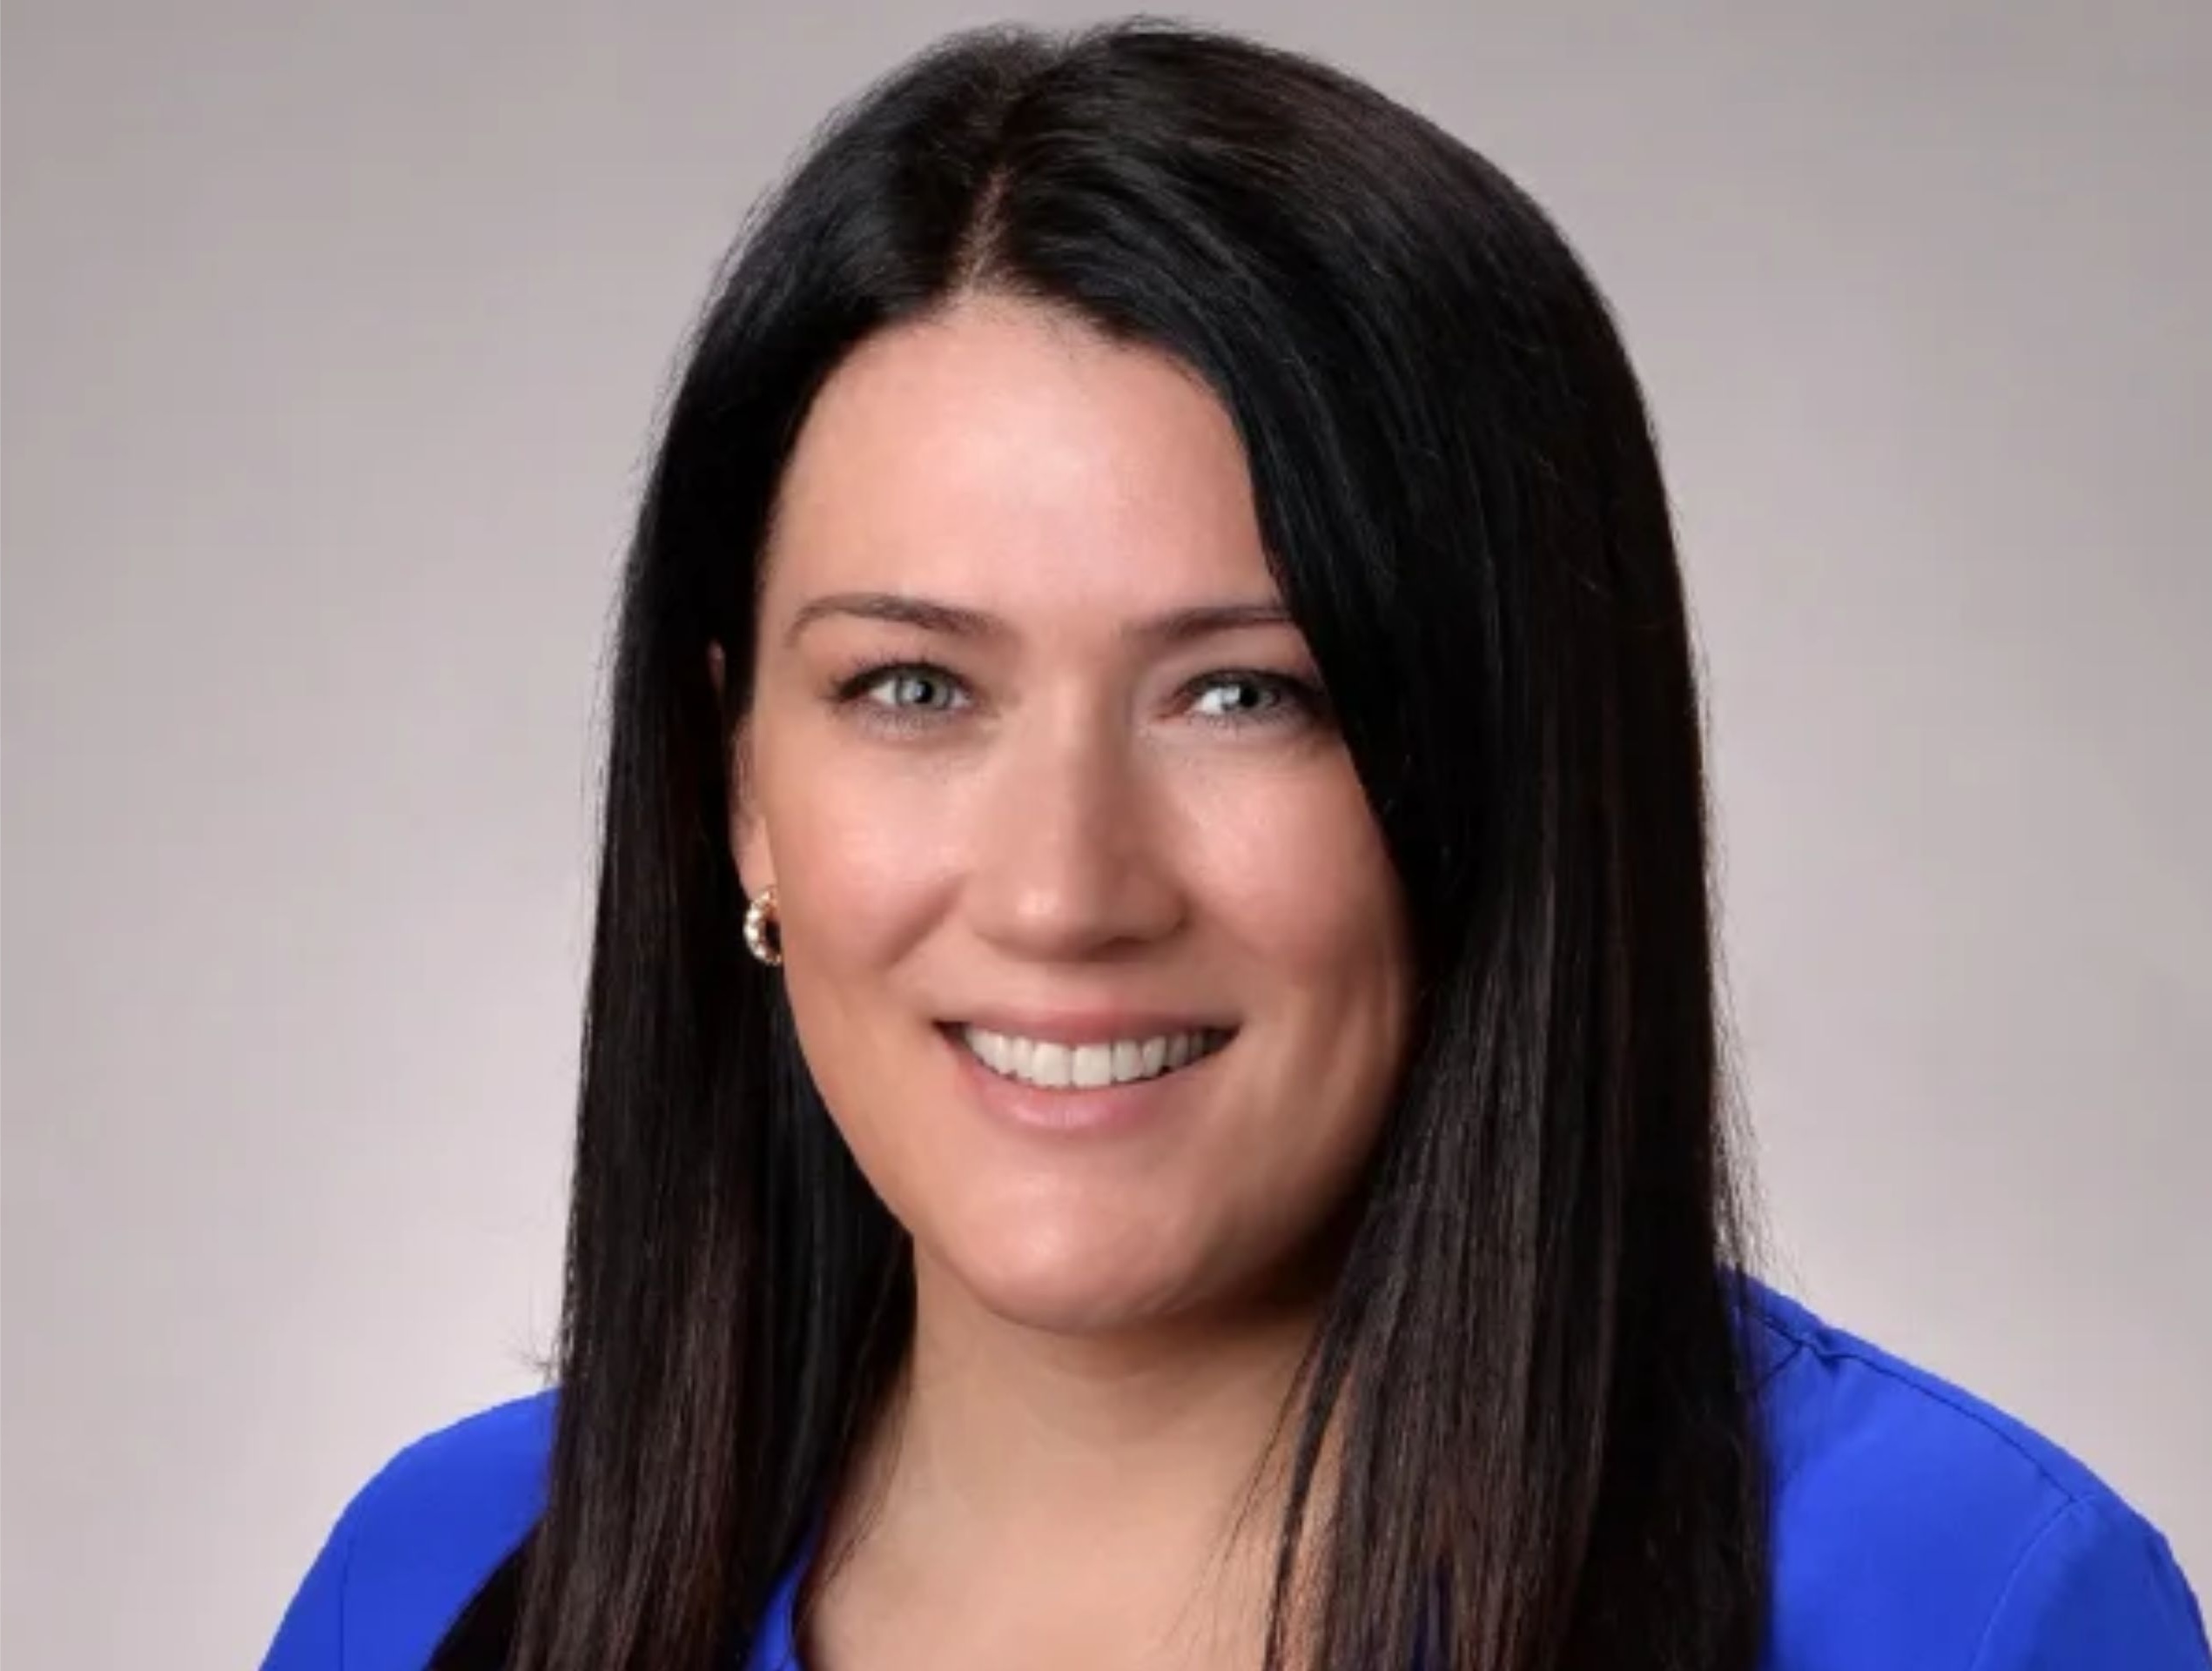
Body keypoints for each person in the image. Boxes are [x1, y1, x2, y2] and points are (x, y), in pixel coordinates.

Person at [260, 21, 2208, 1671]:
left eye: (1243, 695)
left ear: (1502, 771)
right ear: (737, 790)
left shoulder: (1955, 1607)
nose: (1061, 890)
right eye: (913, 691)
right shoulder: (441, 1588)